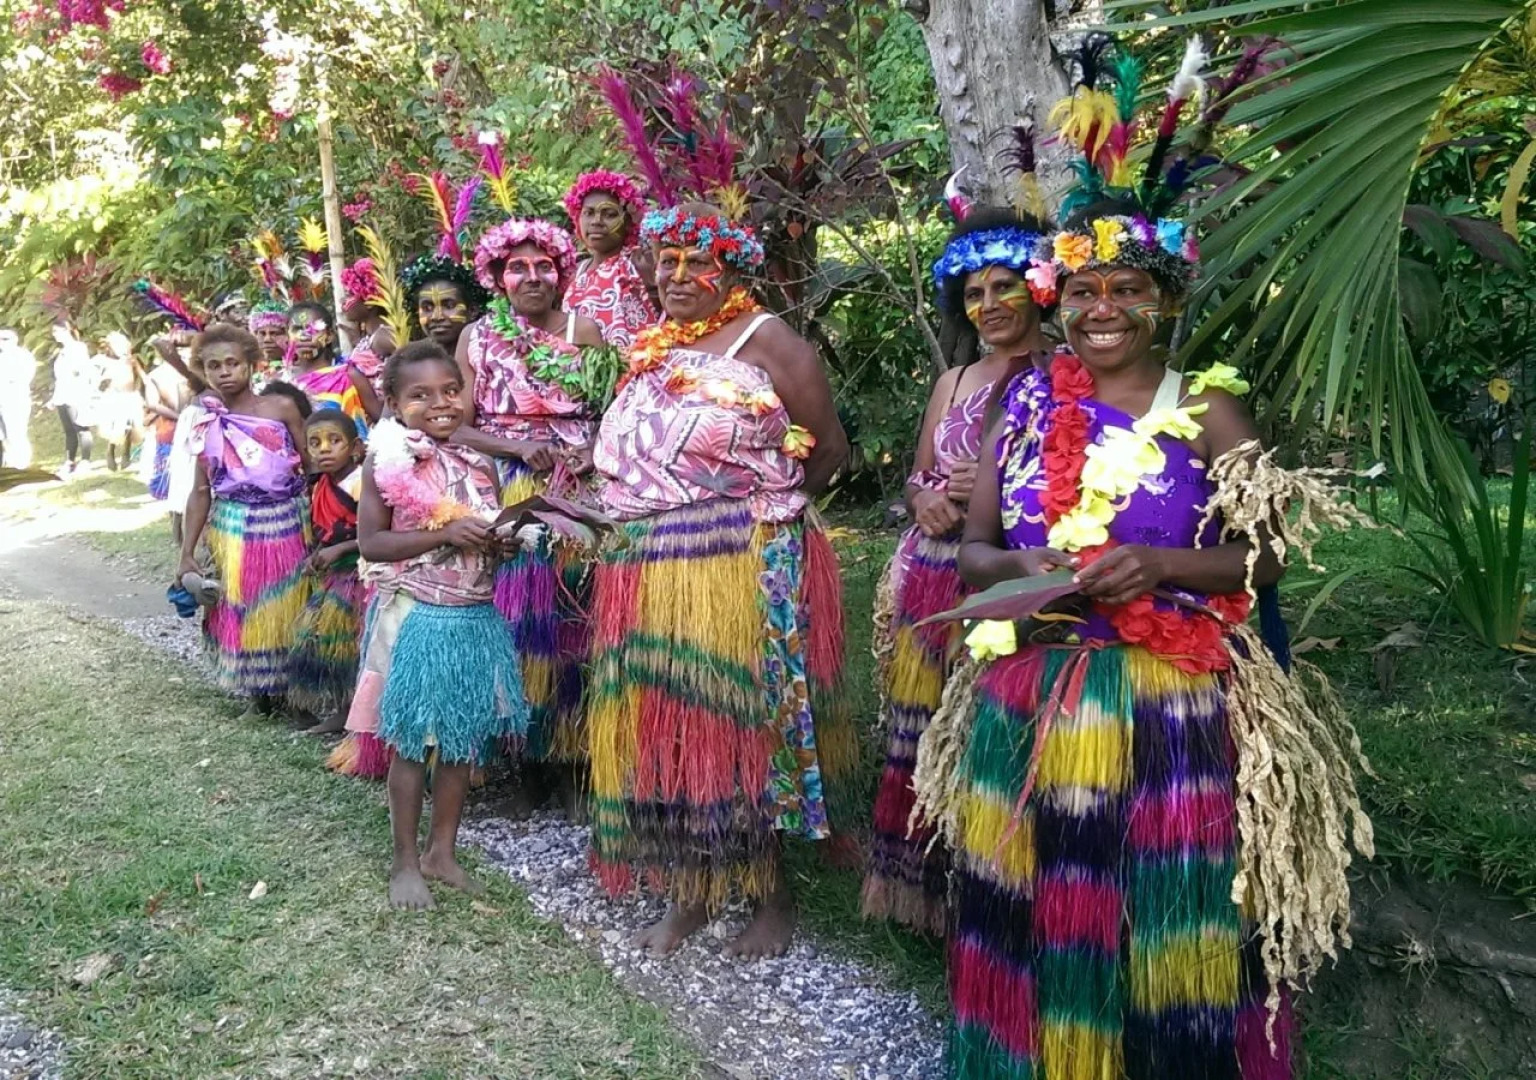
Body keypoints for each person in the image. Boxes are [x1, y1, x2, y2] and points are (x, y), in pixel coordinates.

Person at [912, 43, 1370, 1078]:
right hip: (1037, 688)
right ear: (1057, 301)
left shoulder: (1209, 407)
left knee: (1165, 922)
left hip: (1174, 701)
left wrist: (1161, 564)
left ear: (1162, 298)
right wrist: (1046, 579)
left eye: (1124, 288)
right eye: (1081, 290)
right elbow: (978, 550)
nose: (1100, 308)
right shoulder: (1025, 402)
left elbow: (1263, 561)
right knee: (1037, 911)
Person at [587, 202, 852, 960]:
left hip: (738, 562)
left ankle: (771, 893)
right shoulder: (652, 346)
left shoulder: (768, 340)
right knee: (667, 727)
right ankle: (693, 890)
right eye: (664, 262)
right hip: (648, 565)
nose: (677, 277)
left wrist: (774, 524)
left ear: (729, 268)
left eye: (695, 262)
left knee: (739, 726)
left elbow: (828, 450)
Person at [860, 206, 1055, 936]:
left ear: (1038, 289)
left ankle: (994, 901)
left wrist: (991, 496)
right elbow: (916, 474)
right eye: (975, 294)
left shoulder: (1065, 374)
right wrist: (923, 498)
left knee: (985, 734)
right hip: (931, 573)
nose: (990, 306)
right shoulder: (956, 378)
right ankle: (922, 896)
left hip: (1005, 574)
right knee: (922, 727)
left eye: (1005, 287)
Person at [352, 340, 528, 909]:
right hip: (418, 616)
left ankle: (441, 852)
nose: (441, 404)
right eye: (420, 395)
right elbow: (372, 543)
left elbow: (483, 528)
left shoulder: (479, 461)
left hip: (473, 614)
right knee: (411, 745)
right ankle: (405, 862)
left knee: (460, 741)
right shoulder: (388, 458)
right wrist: (444, 534)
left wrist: (503, 543)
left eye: (451, 391)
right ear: (395, 403)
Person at [456, 217, 613, 790]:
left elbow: (611, 415)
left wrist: (589, 452)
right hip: (505, 486)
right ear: (497, 276)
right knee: (511, 618)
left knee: (573, 615)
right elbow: (459, 428)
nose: (532, 276)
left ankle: (571, 750)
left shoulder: (585, 331)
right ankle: (517, 755)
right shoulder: (475, 337)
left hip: (576, 489)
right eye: (517, 267)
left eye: (543, 266)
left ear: (561, 272)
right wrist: (518, 445)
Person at [177, 324, 310, 715]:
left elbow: (312, 465)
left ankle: (293, 692)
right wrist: (186, 551)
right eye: (213, 365)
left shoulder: (281, 409)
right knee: (241, 605)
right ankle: (258, 692)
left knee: (287, 603)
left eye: (232, 363)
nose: (224, 372)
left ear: (253, 364)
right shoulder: (204, 421)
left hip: (285, 519)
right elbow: (201, 491)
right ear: (202, 370)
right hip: (233, 526)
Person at [287, 410, 364, 734]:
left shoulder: (361, 483)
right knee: (324, 641)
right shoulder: (319, 485)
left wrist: (340, 550)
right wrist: (316, 556)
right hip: (332, 577)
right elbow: (323, 531)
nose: (325, 449)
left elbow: (382, 533)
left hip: (361, 577)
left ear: (355, 447)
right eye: (315, 443)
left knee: (353, 646)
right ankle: (341, 710)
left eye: (335, 441)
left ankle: (359, 715)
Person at [562, 170, 660, 349]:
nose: (596, 221)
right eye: (588, 213)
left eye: (609, 214)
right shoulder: (575, 272)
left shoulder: (640, 263)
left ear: (628, 221)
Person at [283, 301, 380, 430]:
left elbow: (382, 418)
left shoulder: (349, 375)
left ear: (329, 336)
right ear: (287, 336)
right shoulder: (283, 380)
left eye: (313, 329)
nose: (304, 336)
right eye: (297, 329)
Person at [139, 355, 192, 512]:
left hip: (180, 428)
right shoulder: (157, 375)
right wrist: (181, 417)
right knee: (173, 484)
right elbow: (153, 404)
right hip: (172, 430)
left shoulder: (193, 371)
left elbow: (154, 404)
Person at [47, 323, 96, 474]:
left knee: (81, 427)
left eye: (57, 331)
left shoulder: (78, 347)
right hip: (62, 394)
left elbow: (83, 371)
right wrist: (53, 398)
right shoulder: (60, 352)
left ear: (67, 331)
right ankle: (70, 461)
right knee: (69, 430)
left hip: (76, 393)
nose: (54, 334)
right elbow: (60, 378)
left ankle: (86, 460)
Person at [93, 332, 143, 472]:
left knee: (129, 426)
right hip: (115, 397)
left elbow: (137, 376)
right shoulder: (106, 362)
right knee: (115, 427)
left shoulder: (131, 361)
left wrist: (137, 391)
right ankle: (110, 452)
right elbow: (101, 382)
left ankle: (126, 455)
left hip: (130, 396)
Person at [0, 329, 35, 469]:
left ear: (14, 340)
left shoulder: (22, 356)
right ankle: (11, 462)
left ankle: (22, 463)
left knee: (17, 433)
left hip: (16, 399)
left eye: (5, 339)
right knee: (4, 435)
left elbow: (25, 377)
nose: (1, 342)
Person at [248, 298, 290, 385]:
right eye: (262, 333)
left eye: (275, 333)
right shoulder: (247, 368)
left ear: (288, 336)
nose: (267, 339)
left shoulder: (298, 369)